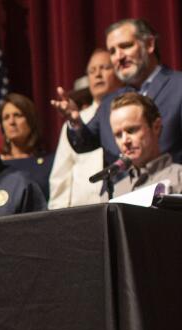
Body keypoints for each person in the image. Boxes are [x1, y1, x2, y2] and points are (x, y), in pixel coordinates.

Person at [52, 18, 182, 167]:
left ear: (149, 44)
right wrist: (75, 121)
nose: (119, 57)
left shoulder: (178, 86)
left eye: (126, 46)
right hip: (119, 188)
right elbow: (84, 144)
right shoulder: (110, 101)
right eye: (112, 51)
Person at [49, 49, 123, 208]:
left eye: (105, 68)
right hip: (82, 212)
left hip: (120, 203)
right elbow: (61, 176)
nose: (97, 75)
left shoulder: (129, 114)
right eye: (92, 71)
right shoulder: (76, 120)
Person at [110, 92, 182, 194]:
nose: (125, 141)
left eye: (131, 130)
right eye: (118, 135)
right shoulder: (111, 195)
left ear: (156, 127)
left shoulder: (179, 179)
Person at [0, 93, 54, 200]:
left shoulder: (50, 162)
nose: (11, 122)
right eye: (6, 117)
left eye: (17, 115)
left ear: (30, 120)